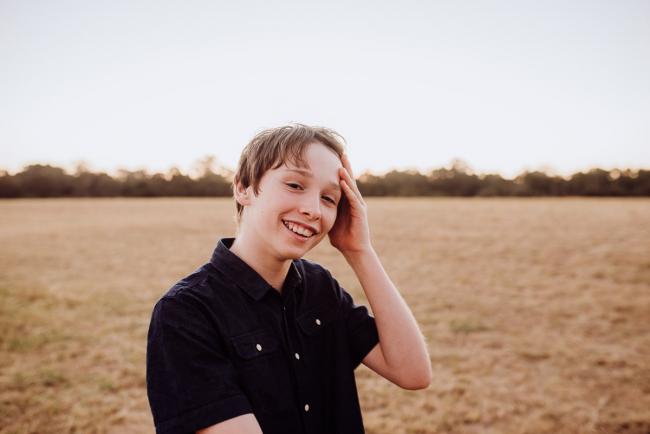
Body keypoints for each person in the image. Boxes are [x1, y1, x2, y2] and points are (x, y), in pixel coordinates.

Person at [146, 124, 432, 434]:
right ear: (243, 188)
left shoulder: (320, 288)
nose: (312, 209)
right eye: (295, 185)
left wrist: (359, 250)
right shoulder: (186, 312)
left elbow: (413, 373)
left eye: (329, 199)